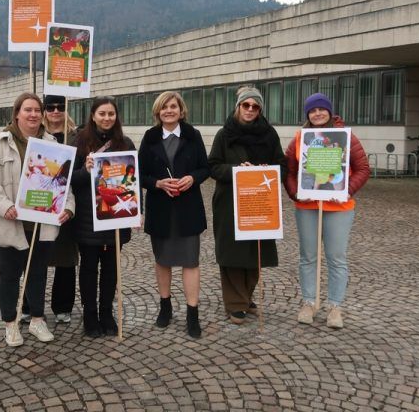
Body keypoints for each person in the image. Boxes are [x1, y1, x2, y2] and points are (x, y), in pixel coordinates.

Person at [0, 92, 74, 347]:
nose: (33, 114)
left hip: (42, 224)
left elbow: (65, 182)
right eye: (27, 110)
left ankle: (37, 320)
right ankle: (11, 323)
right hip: (10, 222)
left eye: (36, 110)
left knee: (37, 274)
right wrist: (4, 206)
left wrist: (69, 208)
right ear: (17, 113)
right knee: (9, 276)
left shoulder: (52, 144)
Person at [284, 93, 370, 328]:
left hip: (339, 206)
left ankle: (335, 306)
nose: (317, 113)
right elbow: (289, 170)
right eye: (312, 111)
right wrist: (295, 192)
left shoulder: (346, 137)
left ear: (330, 112)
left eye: (322, 109)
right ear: (307, 115)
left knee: (336, 257)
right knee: (308, 256)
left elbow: (363, 168)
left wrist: (346, 190)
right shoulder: (301, 138)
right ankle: (309, 302)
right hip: (307, 205)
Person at [208, 86, 286, 325]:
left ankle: (246, 297)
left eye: (255, 106)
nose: (250, 110)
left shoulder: (269, 134)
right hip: (229, 202)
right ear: (238, 106)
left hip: (259, 202)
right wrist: (237, 172)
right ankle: (235, 304)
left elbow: (281, 165)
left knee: (256, 253)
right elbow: (213, 166)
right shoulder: (225, 134)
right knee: (232, 253)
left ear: (260, 109)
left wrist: (266, 172)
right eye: (246, 105)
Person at [138, 91, 209, 338]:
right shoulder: (149, 138)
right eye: (164, 107)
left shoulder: (193, 135)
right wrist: (158, 184)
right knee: (163, 260)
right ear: (158, 112)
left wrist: (192, 178)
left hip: (188, 209)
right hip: (161, 209)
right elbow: (140, 174)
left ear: (181, 110)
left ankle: (192, 313)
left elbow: (205, 167)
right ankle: (165, 307)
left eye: (173, 106)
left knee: (190, 261)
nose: (169, 111)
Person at [70, 96, 135, 337]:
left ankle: (107, 312)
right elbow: (69, 180)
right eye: (102, 114)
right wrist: (84, 170)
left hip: (115, 215)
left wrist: (136, 211)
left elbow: (133, 181)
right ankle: (90, 315)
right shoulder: (80, 142)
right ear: (93, 116)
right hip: (88, 219)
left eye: (111, 114)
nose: (107, 118)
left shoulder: (125, 143)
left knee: (110, 269)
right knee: (88, 269)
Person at [21, 95, 79, 324]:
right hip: (40, 199)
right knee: (35, 257)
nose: (55, 111)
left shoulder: (76, 136)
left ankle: (62, 306)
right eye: (51, 107)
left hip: (65, 201)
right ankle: (30, 305)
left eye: (60, 107)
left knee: (65, 257)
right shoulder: (35, 133)